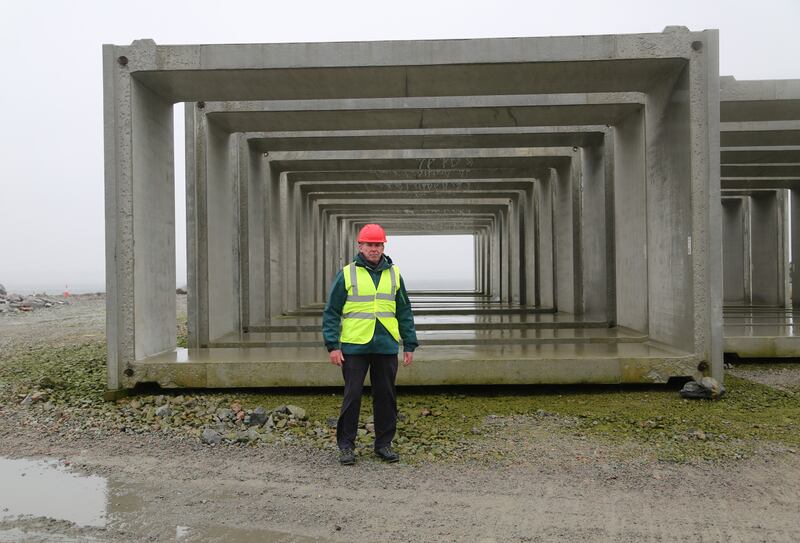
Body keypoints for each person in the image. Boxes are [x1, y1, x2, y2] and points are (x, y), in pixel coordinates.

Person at [322, 223, 418, 465]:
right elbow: (332, 311)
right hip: (354, 346)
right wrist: (333, 345)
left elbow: (404, 311)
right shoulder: (347, 273)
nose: (374, 249)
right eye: (370, 244)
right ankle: (346, 446)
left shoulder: (394, 274)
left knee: (386, 396)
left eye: (378, 244)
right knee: (352, 396)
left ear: (383, 246)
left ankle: (383, 444)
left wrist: (409, 344)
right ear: (360, 246)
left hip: (385, 345)